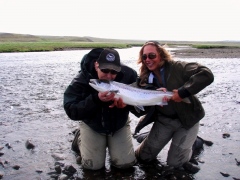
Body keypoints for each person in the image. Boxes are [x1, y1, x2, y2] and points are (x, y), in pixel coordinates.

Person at [134, 41, 214, 173]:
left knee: (175, 163)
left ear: (161, 55)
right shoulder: (144, 79)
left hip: (188, 120)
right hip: (164, 121)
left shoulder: (178, 67)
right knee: (143, 157)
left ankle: (194, 143)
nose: (148, 60)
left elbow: (206, 74)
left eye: (152, 55)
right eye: (144, 57)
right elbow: (141, 109)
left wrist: (183, 92)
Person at [63, 48, 138, 170]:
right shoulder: (82, 80)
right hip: (93, 125)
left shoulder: (129, 75)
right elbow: (71, 110)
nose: (109, 76)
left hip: (119, 124)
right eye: (104, 70)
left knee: (125, 165)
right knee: (93, 167)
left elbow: (143, 106)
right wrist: (95, 99)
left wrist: (127, 105)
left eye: (113, 72)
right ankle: (79, 138)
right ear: (96, 65)